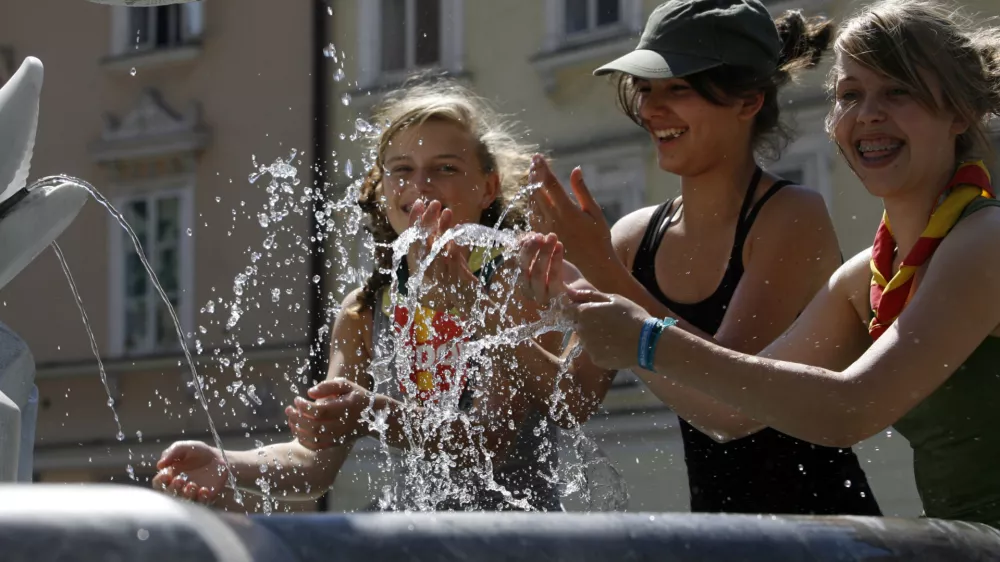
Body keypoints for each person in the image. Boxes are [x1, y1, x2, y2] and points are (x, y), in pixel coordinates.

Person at [521, 0, 1000, 529]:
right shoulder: (866, 277)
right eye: (849, 95)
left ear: (959, 112)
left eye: (898, 91)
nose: (867, 115)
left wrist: (637, 329)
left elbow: (851, 409)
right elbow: (730, 415)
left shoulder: (987, 239)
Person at [152, 79, 573, 512]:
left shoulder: (517, 279)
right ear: (382, 187)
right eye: (403, 170)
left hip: (519, 542)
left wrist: (374, 413)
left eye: (445, 168)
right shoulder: (365, 308)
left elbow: (489, 439)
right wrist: (228, 464)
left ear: (488, 186)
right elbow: (313, 463)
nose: (421, 185)